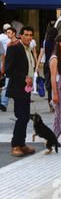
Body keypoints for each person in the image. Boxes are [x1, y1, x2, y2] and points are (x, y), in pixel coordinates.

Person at [5, 26, 36, 157]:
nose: (28, 37)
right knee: (21, 117)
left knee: (25, 117)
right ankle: (15, 145)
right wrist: (24, 78)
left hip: (26, 88)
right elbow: (9, 69)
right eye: (26, 35)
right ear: (20, 35)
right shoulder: (14, 48)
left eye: (31, 35)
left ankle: (22, 143)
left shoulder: (29, 49)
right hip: (18, 87)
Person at [35, 27, 58, 112]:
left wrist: (37, 66)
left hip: (47, 66)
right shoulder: (57, 43)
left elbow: (40, 55)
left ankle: (50, 104)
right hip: (55, 64)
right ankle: (56, 102)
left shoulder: (44, 42)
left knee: (49, 86)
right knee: (56, 83)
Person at [0, 27, 20, 112]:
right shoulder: (8, 45)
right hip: (10, 70)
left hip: (18, 70)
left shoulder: (19, 43)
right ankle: (4, 104)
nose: (7, 34)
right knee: (6, 87)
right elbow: (7, 57)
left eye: (9, 33)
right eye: (7, 32)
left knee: (18, 87)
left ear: (14, 33)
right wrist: (5, 67)